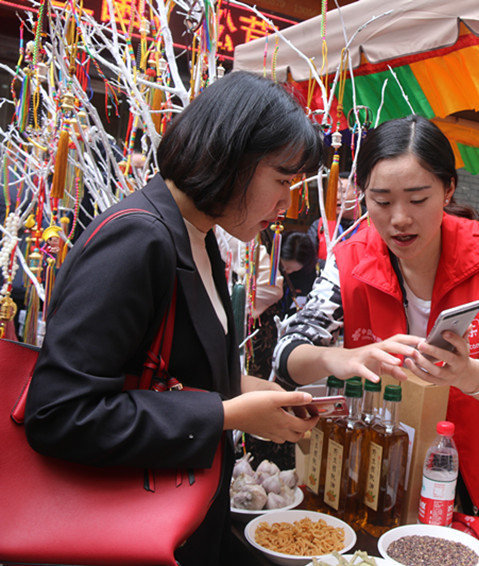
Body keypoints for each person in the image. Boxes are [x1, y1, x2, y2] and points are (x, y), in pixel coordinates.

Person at [23, 71, 324, 566]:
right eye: (282, 180)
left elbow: (177, 370)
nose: (286, 204)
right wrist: (228, 415)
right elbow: (58, 414)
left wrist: (253, 393)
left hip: (183, 524)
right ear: (233, 158)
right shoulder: (138, 240)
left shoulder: (197, 236)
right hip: (125, 534)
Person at [273, 115, 479, 540]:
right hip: (385, 458)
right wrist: (343, 358)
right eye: (381, 200)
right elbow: (288, 355)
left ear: (448, 190)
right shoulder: (349, 257)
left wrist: (466, 373)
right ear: (363, 195)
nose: (399, 219)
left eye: (417, 199)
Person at [250, 230, 317, 381]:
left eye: (293, 269)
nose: (288, 272)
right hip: (265, 332)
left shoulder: (308, 276)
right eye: (286, 268)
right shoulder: (270, 269)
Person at [307, 171, 363, 269]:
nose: (336, 197)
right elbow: (307, 260)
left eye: (342, 191)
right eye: (333, 192)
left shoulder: (372, 225)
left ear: (358, 195)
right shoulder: (321, 225)